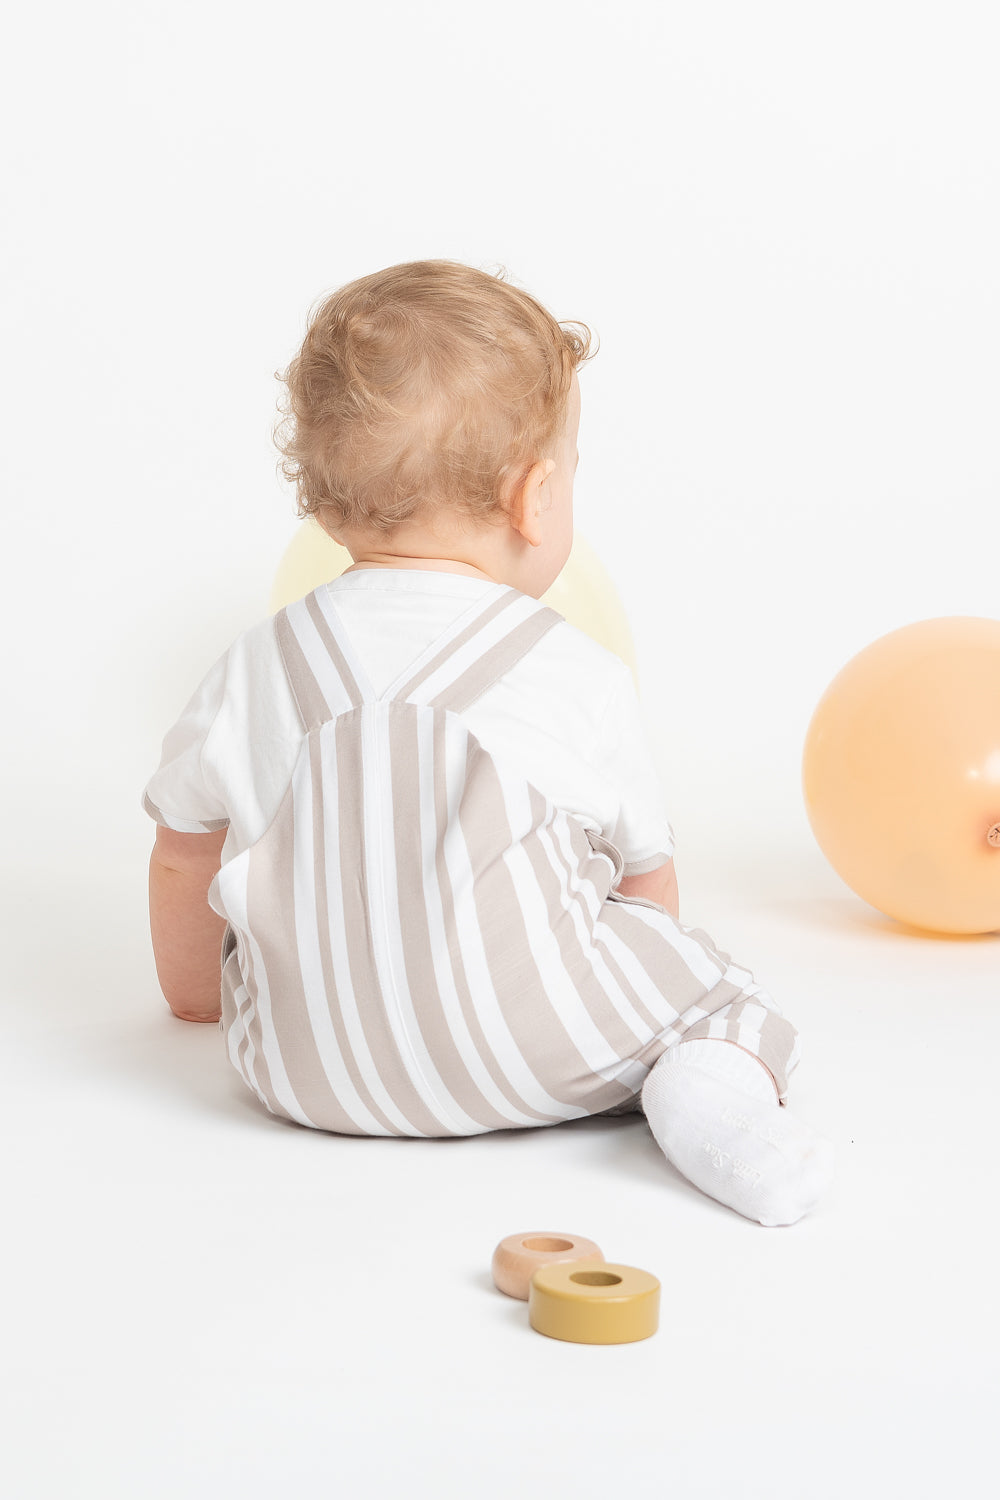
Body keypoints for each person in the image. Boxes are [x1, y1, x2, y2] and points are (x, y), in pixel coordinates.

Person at [144, 260, 834, 1227]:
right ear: (535, 495)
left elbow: (183, 851)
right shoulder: (572, 669)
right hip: (535, 1060)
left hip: (301, 1077)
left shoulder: (255, 665)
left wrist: (195, 1002)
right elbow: (646, 885)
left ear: (322, 495)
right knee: (722, 993)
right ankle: (704, 1095)